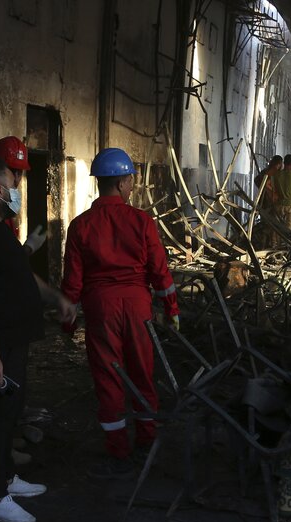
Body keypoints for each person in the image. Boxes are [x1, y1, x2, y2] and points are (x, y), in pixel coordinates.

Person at [0, 156, 76, 522]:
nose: (18, 193)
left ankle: (6, 477)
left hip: (16, 339)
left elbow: (23, 277)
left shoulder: (1, 230)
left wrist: (57, 298)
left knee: (11, 412)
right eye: (14, 185)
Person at [61, 148, 180, 479]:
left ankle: (117, 447)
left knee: (109, 375)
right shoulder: (142, 221)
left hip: (101, 308)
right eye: (131, 181)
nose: (131, 186)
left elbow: (72, 279)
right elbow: (160, 271)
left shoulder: (80, 225)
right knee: (143, 371)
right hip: (138, 306)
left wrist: (68, 321)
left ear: (99, 182)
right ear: (125, 181)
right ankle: (147, 438)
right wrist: (171, 310)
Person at [269, 154, 291, 248]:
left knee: (277, 226)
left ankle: (274, 245)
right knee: (290, 228)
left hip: (279, 204)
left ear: (284, 163)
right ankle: (286, 246)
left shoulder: (277, 174)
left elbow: (271, 185)